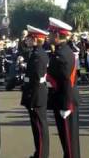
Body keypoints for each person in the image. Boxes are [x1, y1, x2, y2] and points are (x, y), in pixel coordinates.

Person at [47, 17, 80, 158]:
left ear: (56, 35)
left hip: (65, 101)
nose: (48, 36)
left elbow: (67, 81)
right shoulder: (61, 51)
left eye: (50, 34)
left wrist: (66, 106)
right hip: (61, 99)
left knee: (68, 140)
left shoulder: (62, 54)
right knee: (67, 139)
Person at [21, 25, 49, 158]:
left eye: (30, 38)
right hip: (34, 92)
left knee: (39, 127)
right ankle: (39, 152)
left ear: (36, 39)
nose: (27, 40)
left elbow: (37, 78)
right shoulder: (36, 52)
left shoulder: (38, 54)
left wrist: (31, 95)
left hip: (36, 94)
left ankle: (41, 154)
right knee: (36, 126)